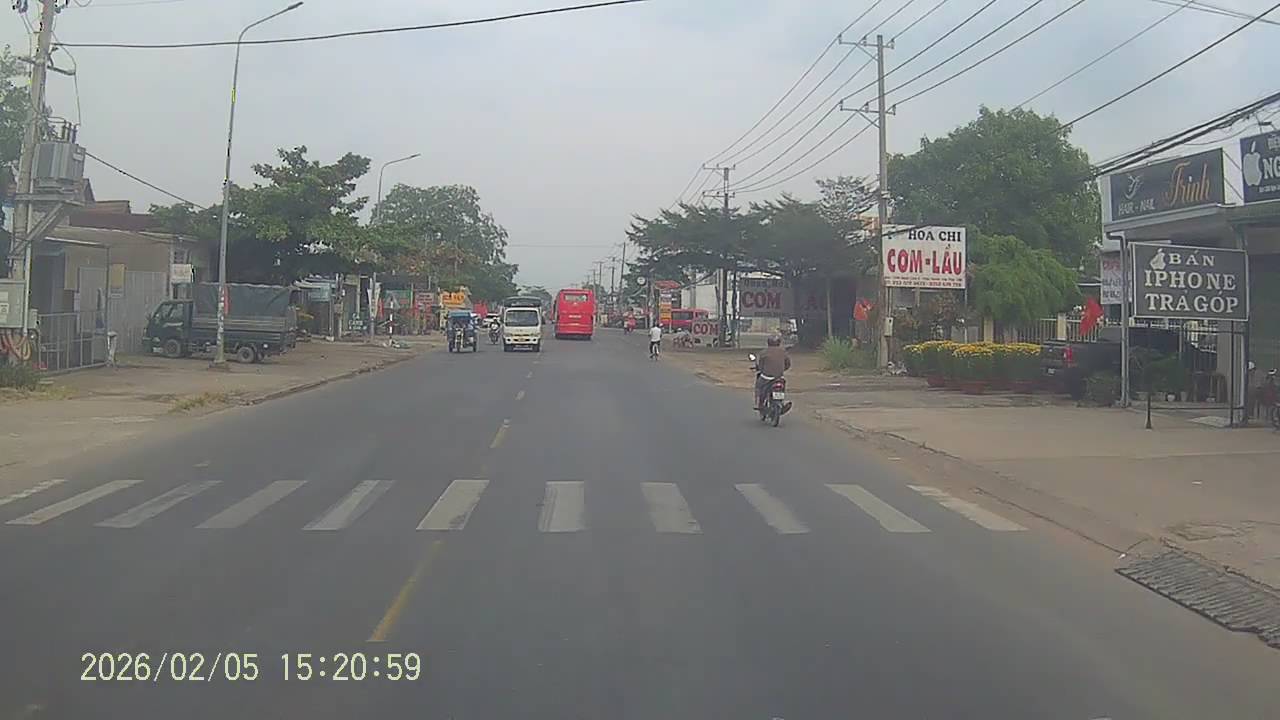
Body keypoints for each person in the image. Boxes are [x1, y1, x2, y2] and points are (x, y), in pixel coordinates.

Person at [755, 335, 791, 409]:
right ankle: (781, 402)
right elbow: (788, 364)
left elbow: (761, 366)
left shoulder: (764, 352)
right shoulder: (783, 352)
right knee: (782, 387)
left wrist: (761, 369)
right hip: (779, 377)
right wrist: (782, 370)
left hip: (766, 377)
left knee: (759, 387)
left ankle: (760, 403)